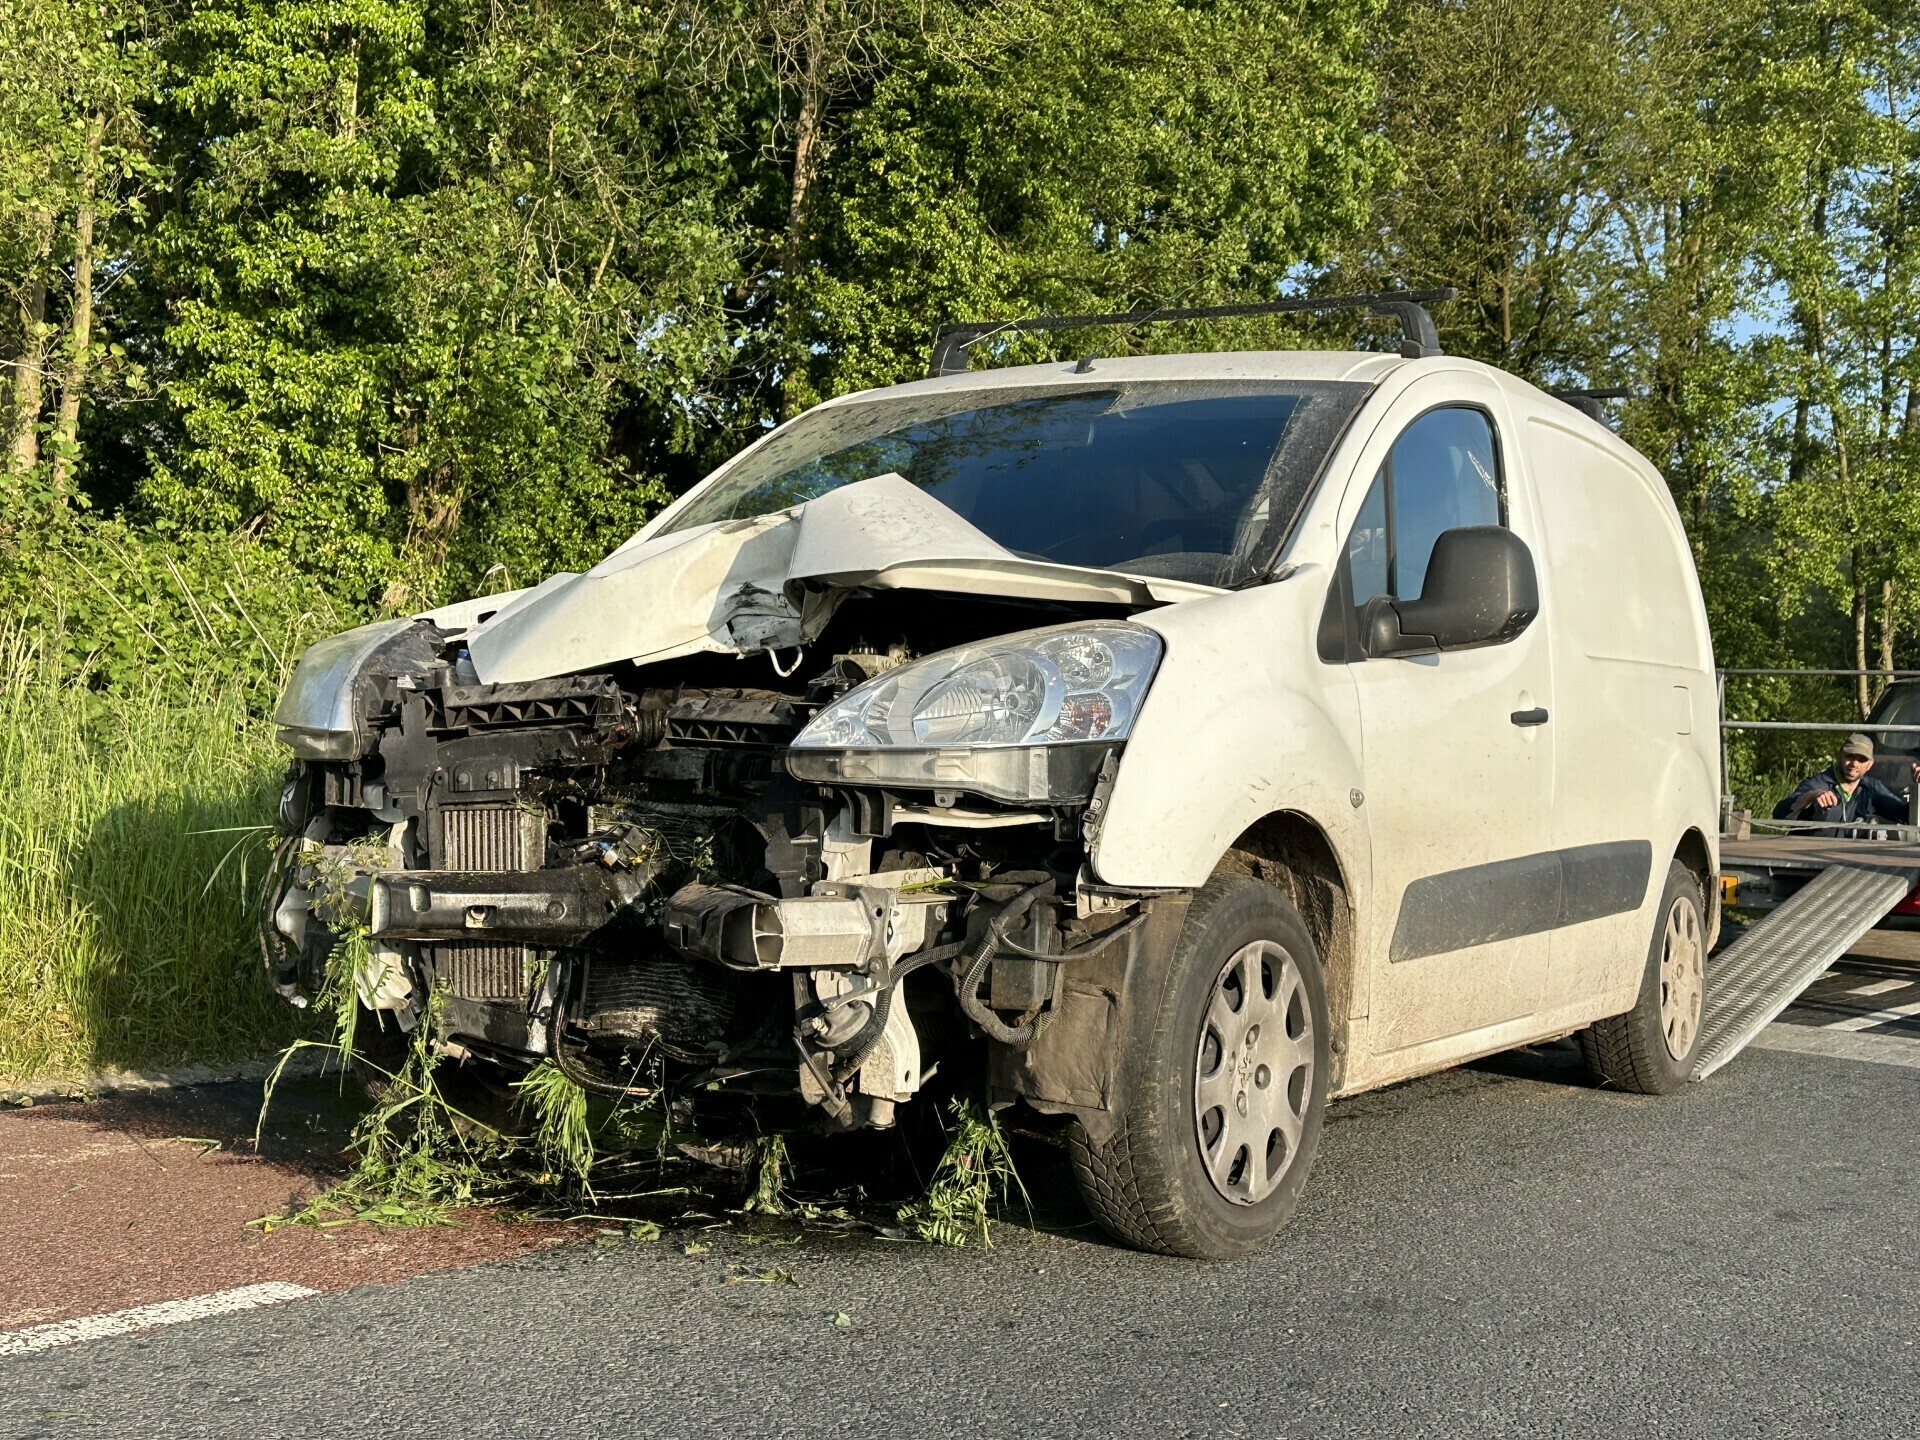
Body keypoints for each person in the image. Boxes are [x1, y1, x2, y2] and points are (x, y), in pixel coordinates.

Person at [1773, 734, 1920, 834]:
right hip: (1806, 861)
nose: (1854, 764)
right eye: (1850, 756)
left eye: (1862, 759)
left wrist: (1919, 788)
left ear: (1870, 765)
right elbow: (1779, 816)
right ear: (1838, 756)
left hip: (1848, 862)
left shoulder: (1871, 788)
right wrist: (1811, 797)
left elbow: (1905, 817)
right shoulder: (1817, 783)